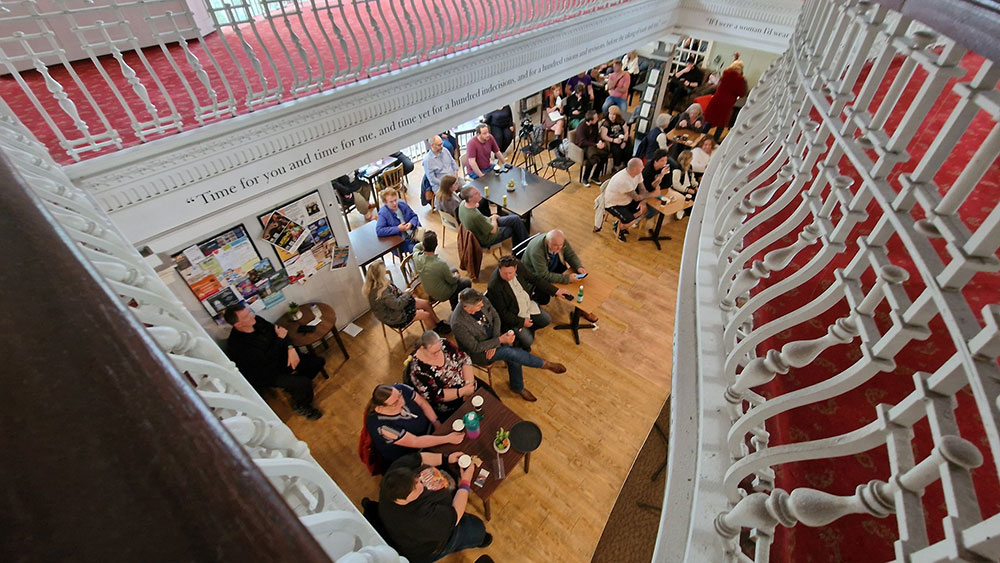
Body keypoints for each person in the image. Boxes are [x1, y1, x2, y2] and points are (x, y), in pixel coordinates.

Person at [451, 289, 566, 401]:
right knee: (510, 353)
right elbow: (475, 347)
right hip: (479, 353)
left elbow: (495, 315)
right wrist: (500, 340)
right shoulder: (458, 323)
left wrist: (496, 340)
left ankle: (518, 387)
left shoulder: (479, 297)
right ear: (467, 308)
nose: (482, 307)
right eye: (478, 307)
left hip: (494, 338)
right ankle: (543, 365)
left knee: (512, 356)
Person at [378, 450, 492, 563]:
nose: (420, 481)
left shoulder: (394, 476)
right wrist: (466, 482)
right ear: (402, 500)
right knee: (476, 529)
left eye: (416, 478)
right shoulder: (419, 519)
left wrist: (445, 458)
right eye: (417, 486)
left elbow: (420, 458)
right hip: (431, 546)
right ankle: (481, 539)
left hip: (435, 515)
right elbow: (455, 515)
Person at [224, 303, 325, 420]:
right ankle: (301, 405)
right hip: (267, 372)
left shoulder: (257, 321)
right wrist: (280, 339)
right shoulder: (237, 345)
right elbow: (265, 360)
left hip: (281, 357)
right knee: (304, 383)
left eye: (249, 312)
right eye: (246, 316)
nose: (252, 316)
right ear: (238, 324)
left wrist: (290, 348)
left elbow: (282, 332)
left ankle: (295, 387)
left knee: (318, 362)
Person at [365, 383, 465, 466]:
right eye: (395, 403)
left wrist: (436, 423)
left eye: (400, 396)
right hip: (415, 453)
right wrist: (447, 438)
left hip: (430, 429)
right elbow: (415, 441)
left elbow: (422, 403)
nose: (402, 402)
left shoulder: (400, 389)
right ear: (380, 407)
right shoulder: (382, 426)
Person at [487, 254, 572, 350]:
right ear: (499, 269)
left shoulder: (519, 265)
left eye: (510, 273)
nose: (508, 276)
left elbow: (535, 279)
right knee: (528, 341)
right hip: (515, 316)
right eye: (504, 273)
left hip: (527, 305)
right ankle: (521, 339)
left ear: (515, 268)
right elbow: (503, 313)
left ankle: (529, 329)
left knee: (547, 320)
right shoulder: (494, 286)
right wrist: (522, 322)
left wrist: (556, 291)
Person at [406, 330, 478, 419]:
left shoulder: (443, 343)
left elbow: (464, 359)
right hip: (452, 402)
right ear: (422, 348)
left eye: (439, 350)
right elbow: (434, 395)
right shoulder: (417, 370)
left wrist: (469, 385)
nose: (438, 353)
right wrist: (463, 392)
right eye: (433, 352)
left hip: (468, 384)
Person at [364, 261, 448, 333]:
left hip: (396, 305)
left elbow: (395, 297)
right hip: (395, 317)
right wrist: (407, 294)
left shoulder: (379, 283)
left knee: (426, 303)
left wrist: (405, 294)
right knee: (426, 315)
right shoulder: (381, 292)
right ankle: (435, 331)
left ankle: (438, 322)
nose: (386, 271)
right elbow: (397, 305)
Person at [413, 232, 472, 309]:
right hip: (442, 294)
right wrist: (457, 276)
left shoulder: (417, 257)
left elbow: (416, 247)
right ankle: (456, 306)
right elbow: (452, 280)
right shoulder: (441, 264)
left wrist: (425, 242)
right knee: (466, 282)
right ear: (436, 245)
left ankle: (454, 302)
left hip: (428, 289)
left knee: (453, 270)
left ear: (423, 245)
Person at [457, 185, 528, 248]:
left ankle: (524, 244)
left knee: (515, 218)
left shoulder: (463, 204)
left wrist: (475, 204)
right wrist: (494, 218)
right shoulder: (475, 216)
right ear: (470, 199)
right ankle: (523, 248)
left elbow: (475, 210)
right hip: (488, 238)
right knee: (515, 226)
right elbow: (493, 231)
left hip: (486, 222)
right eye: (476, 194)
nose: (479, 194)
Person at [521, 229, 587, 285]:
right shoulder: (537, 252)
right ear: (547, 242)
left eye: (561, 244)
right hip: (535, 274)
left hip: (551, 264)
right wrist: (567, 279)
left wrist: (578, 266)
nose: (559, 248)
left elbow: (570, 255)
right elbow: (544, 275)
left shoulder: (559, 240)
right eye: (555, 245)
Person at [704, 60, 747, 142]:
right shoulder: (740, 80)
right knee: (721, 124)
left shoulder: (725, 73)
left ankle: (700, 137)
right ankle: (714, 141)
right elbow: (742, 94)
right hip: (726, 104)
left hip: (716, 100)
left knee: (709, 121)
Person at [604, 158, 647, 242]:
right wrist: (652, 195)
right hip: (613, 204)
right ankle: (618, 228)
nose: (643, 167)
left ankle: (623, 222)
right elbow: (636, 197)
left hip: (626, 200)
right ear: (634, 169)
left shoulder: (637, 173)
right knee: (631, 221)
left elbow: (642, 188)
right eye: (641, 166)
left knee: (641, 210)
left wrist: (644, 201)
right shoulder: (623, 181)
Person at [376, 188, 422, 254]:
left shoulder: (402, 204)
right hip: (402, 240)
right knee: (416, 250)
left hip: (414, 233)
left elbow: (414, 216)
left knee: (430, 241)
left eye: (395, 200)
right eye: (391, 202)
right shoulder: (383, 213)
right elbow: (379, 230)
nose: (395, 203)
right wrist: (398, 229)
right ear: (385, 203)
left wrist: (411, 223)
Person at [422, 135, 459, 207]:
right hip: (440, 185)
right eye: (439, 145)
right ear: (432, 145)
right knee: (452, 201)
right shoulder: (427, 160)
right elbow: (432, 179)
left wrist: (456, 174)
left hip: (453, 179)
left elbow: (453, 163)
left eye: (441, 144)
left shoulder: (445, 150)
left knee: (466, 189)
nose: (442, 146)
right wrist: (447, 184)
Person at [573, 110, 607, 186]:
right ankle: (585, 178)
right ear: (591, 120)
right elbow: (582, 142)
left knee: (604, 156)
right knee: (592, 158)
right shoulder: (581, 127)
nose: (598, 118)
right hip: (583, 147)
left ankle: (595, 176)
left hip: (593, 145)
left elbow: (596, 135)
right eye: (596, 118)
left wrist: (599, 141)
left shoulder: (594, 125)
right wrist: (595, 145)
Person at [600, 105, 630, 170]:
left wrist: (624, 141)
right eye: (610, 114)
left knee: (628, 148)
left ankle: (626, 164)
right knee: (617, 150)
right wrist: (613, 140)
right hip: (612, 140)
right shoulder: (606, 123)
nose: (612, 116)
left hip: (622, 139)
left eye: (614, 115)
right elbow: (603, 136)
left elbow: (626, 131)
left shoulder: (621, 121)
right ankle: (616, 166)